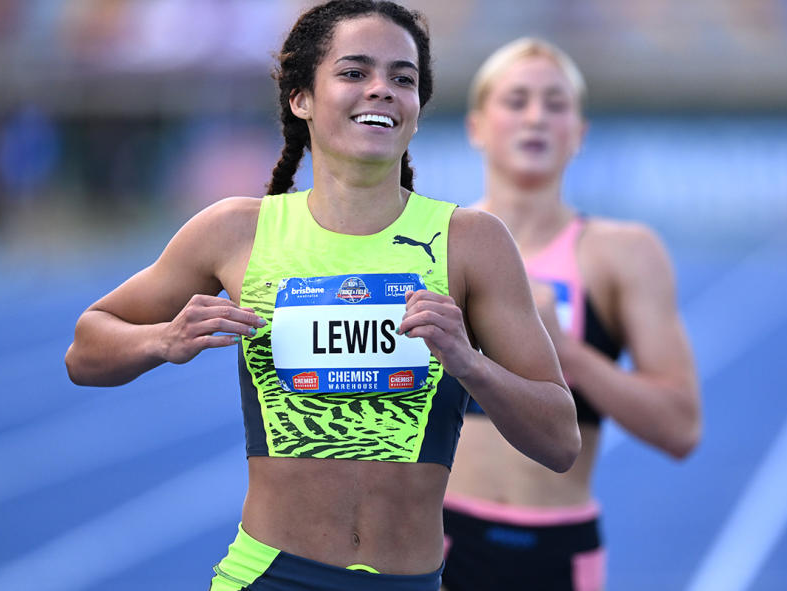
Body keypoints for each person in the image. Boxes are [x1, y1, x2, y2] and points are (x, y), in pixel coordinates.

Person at [65, 4, 581, 590]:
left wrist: (469, 363)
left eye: (403, 78)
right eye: (355, 72)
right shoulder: (235, 232)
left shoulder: (472, 243)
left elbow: (561, 439)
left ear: (418, 108)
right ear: (300, 98)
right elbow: (84, 351)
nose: (382, 90)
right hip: (268, 576)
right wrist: (162, 339)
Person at [440, 38, 702, 591]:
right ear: (477, 126)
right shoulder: (430, 245)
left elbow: (681, 428)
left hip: (558, 551)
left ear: (579, 133)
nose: (536, 117)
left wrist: (566, 351)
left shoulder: (623, 253)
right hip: (435, 543)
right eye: (516, 100)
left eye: (555, 104)